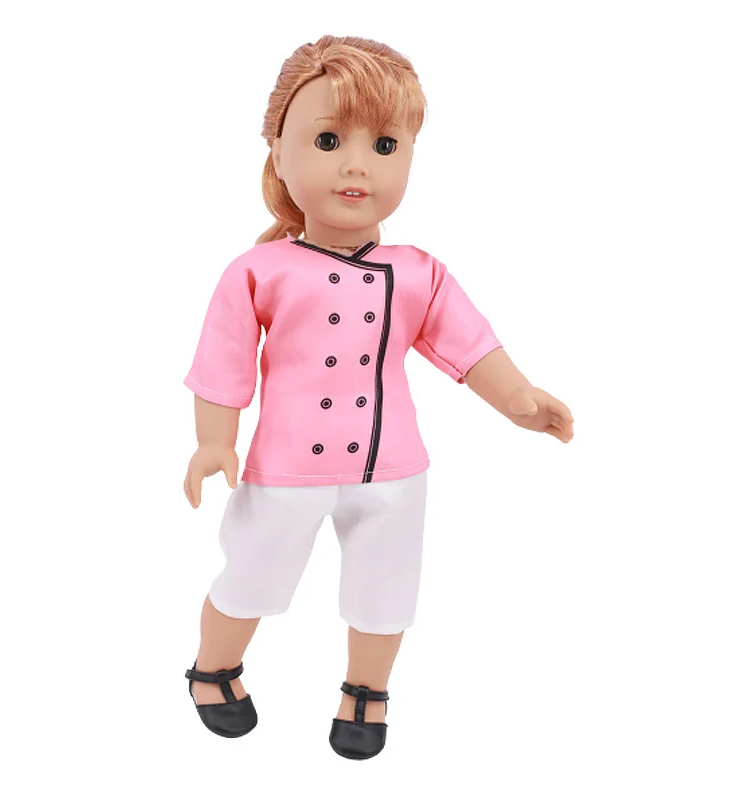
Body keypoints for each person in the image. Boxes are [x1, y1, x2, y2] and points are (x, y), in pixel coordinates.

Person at [182, 34, 575, 760]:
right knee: (252, 574)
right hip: (286, 467)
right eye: (329, 140)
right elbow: (224, 361)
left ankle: (366, 691)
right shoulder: (259, 270)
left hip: (393, 468)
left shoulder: (418, 271)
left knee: (385, 589)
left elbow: (469, 343)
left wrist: (518, 397)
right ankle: (214, 667)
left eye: (385, 145)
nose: (357, 164)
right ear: (278, 153)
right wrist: (214, 441)